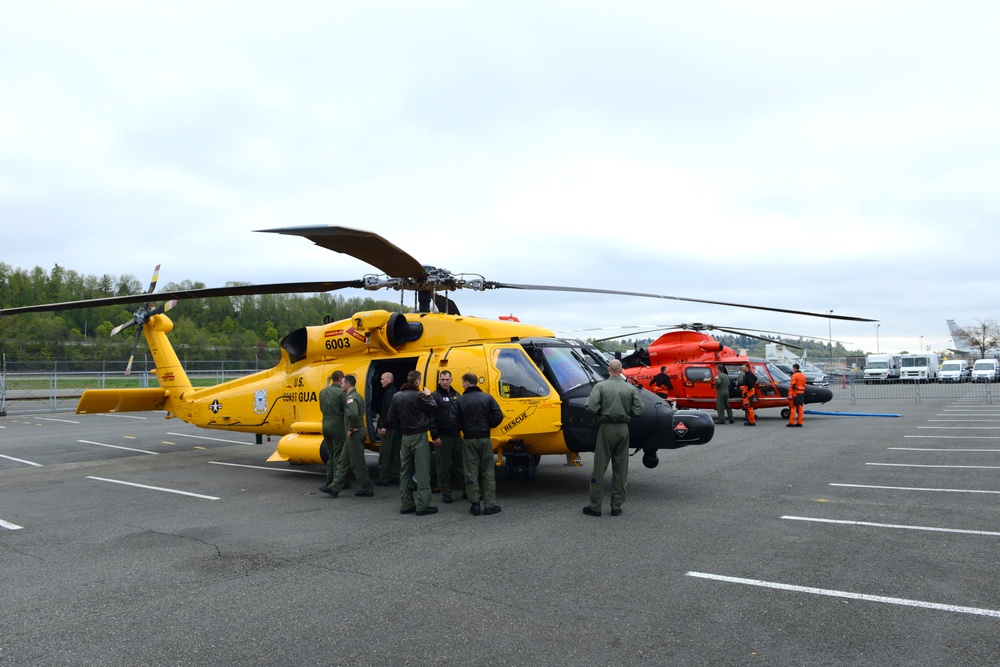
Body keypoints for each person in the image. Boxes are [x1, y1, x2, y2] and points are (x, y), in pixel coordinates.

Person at [583, 358, 643, 517]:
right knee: (621, 468)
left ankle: (595, 506)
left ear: (609, 369)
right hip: (623, 429)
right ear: (621, 370)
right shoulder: (629, 388)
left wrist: (602, 412)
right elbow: (638, 410)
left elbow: (590, 406)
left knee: (599, 467)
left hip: (606, 428)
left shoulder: (600, 386)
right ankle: (616, 505)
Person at [388, 370, 440, 516]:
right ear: (417, 381)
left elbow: (391, 418)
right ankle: (423, 505)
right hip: (419, 436)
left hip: (405, 436)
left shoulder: (396, 396)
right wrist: (429, 395)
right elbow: (434, 407)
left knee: (405, 471)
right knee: (422, 471)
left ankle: (406, 503)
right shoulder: (419, 396)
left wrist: (403, 425)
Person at [451, 372, 504, 516]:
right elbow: (499, 415)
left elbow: (453, 421)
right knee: (488, 471)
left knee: (470, 471)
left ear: (467, 383)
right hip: (484, 437)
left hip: (468, 439)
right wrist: (488, 425)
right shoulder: (487, 398)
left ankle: (474, 504)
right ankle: (489, 505)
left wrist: (463, 428)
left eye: (462, 382)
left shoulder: (460, 400)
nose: (462, 385)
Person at [328, 374, 375, 497]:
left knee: (357, 463)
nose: (341, 385)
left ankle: (367, 488)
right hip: (353, 433)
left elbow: (353, 414)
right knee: (343, 462)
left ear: (348, 385)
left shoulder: (351, 398)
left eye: (342, 383)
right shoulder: (354, 396)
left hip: (354, 433)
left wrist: (351, 428)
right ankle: (334, 487)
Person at [432, 370, 464, 503]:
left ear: (451, 380)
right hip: (443, 436)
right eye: (442, 380)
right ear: (439, 380)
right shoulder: (435, 396)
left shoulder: (456, 395)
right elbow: (431, 417)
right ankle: (445, 492)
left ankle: (468, 490)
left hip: (456, 435)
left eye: (447, 380)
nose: (444, 382)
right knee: (443, 467)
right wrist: (435, 435)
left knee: (462, 465)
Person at [318, 370, 350, 496]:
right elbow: (346, 410)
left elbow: (321, 407)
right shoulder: (341, 393)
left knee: (331, 454)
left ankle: (329, 480)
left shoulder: (323, 392)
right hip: (337, 425)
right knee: (338, 455)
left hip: (325, 424)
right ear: (341, 379)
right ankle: (338, 482)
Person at [375, 372, 401, 485]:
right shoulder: (394, 392)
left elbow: (388, 411)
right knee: (395, 452)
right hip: (395, 427)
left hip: (389, 427)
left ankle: (384, 477)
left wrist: (384, 426)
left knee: (385, 452)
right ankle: (396, 475)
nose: (381, 381)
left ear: (390, 380)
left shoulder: (390, 393)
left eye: (383, 379)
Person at [787, 363, 807, 427]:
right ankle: (800, 422)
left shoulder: (794, 375)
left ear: (794, 368)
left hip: (796, 393)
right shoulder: (803, 375)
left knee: (793, 408)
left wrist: (790, 394)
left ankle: (792, 422)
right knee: (800, 408)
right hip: (802, 393)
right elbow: (804, 385)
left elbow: (793, 385)